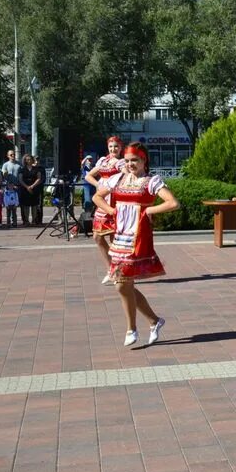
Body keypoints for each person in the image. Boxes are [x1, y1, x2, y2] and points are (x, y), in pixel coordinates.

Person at [93, 141, 180, 346]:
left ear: (144, 161)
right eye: (128, 160)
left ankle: (131, 328)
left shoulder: (151, 181)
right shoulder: (117, 179)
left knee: (121, 285)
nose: (131, 164)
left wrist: (149, 210)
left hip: (138, 238)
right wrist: (111, 210)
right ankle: (154, 321)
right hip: (119, 238)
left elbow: (173, 203)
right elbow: (98, 197)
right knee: (124, 285)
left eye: (135, 160)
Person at [86, 137, 127, 283]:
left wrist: (116, 179)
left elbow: (127, 175)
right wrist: (98, 185)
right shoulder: (103, 160)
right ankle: (111, 268)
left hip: (114, 200)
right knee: (97, 236)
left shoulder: (121, 162)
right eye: (111, 146)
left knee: (113, 239)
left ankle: (118, 271)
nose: (113, 149)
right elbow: (88, 175)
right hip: (101, 200)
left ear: (121, 148)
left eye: (116, 146)